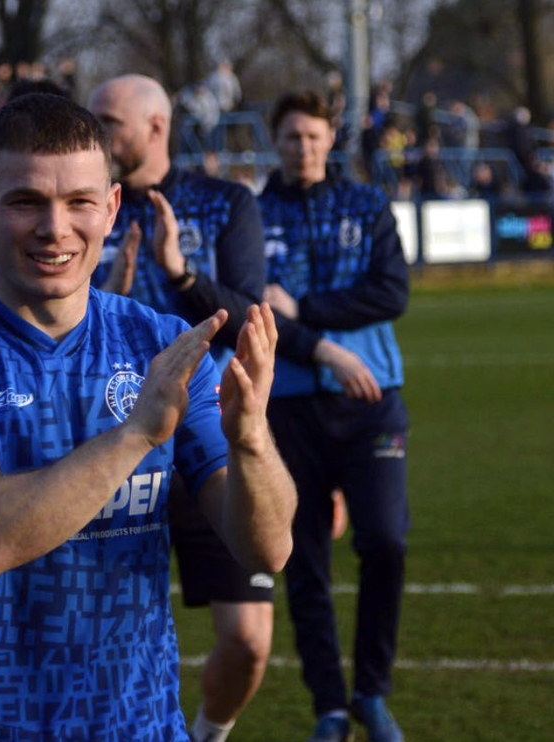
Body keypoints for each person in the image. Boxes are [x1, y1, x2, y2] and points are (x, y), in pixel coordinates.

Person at [0, 92, 296, 742]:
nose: (55, 228)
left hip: (143, 728)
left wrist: (251, 440)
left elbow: (267, 548)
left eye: (79, 202)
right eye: (25, 202)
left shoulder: (162, 344)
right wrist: (137, 435)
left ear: (112, 208)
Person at [87, 72, 274, 742]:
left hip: (202, 435)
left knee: (248, 640)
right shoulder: (85, 206)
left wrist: (182, 275)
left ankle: (208, 735)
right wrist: (103, 295)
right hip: (106, 441)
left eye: (110, 123)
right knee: (91, 638)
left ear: (157, 127)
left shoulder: (224, 203)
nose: (97, 133)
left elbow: (250, 318)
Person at [257, 90, 410, 742]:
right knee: (306, 562)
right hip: (290, 407)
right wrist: (301, 332)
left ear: (331, 138)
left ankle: (372, 691)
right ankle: (329, 706)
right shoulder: (254, 215)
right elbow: (255, 306)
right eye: (293, 137)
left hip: (371, 399)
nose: (304, 148)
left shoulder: (367, 204)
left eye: (315, 136)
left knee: (386, 541)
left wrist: (308, 312)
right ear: (275, 141)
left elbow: (391, 292)